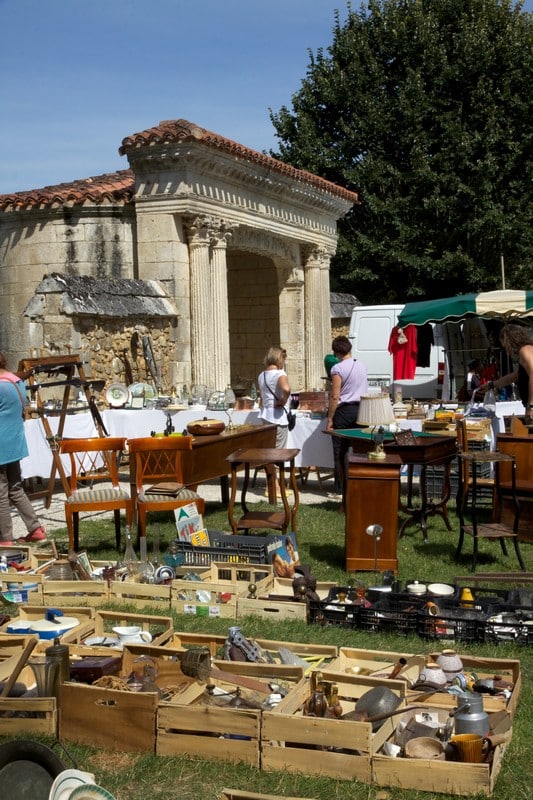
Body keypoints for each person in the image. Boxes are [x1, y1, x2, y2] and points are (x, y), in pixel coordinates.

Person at [0, 351, 46, 545]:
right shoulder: (16, 382)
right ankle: (35, 529)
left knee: (1, 494)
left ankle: (5, 539)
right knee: (15, 488)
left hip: (1, 444)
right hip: (14, 442)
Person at [325, 335, 368, 497]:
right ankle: (360, 482)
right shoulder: (362, 365)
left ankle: (341, 487)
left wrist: (330, 418)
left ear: (336, 352)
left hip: (344, 411)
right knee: (360, 449)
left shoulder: (337, 368)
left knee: (340, 450)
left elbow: (335, 396)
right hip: (361, 409)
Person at [478, 325, 533, 418]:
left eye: (504, 345)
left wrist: (531, 406)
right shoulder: (527, 350)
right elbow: (515, 376)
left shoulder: (525, 350)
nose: (506, 349)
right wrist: (491, 385)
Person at [258, 346, 291, 448]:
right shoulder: (279, 373)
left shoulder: (261, 375)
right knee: (279, 450)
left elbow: (262, 397)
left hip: (265, 415)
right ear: (280, 359)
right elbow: (286, 389)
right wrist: (283, 400)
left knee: (268, 447)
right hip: (278, 416)